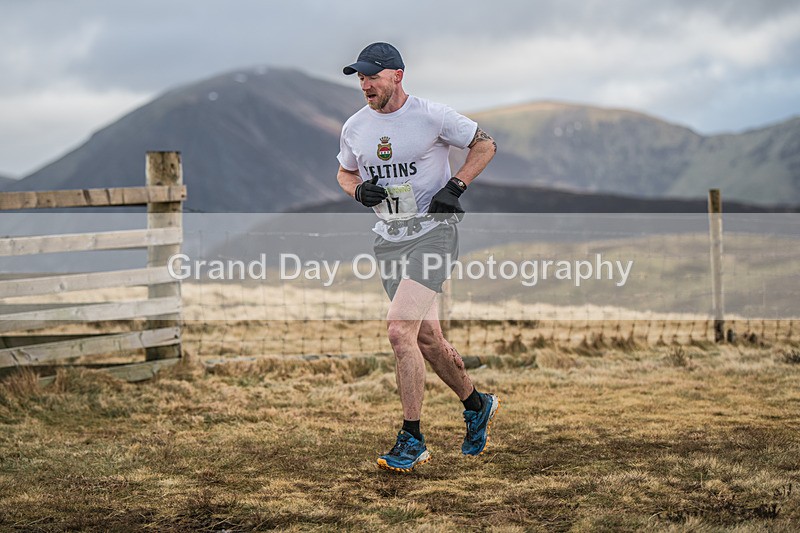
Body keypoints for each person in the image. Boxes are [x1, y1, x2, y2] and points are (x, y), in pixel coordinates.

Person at [336, 42, 499, 473]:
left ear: (397, 76)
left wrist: (456, 186)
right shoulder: (355, 127)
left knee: (397, 330)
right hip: (389, 240)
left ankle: (412, 438)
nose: (365, 84)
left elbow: (485, 145)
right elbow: (345, 171)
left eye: (372, 76)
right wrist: (357, 190)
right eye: (360, 77)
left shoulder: (432, 115)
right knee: (427, 340)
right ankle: (477, 404)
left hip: (434, 235)